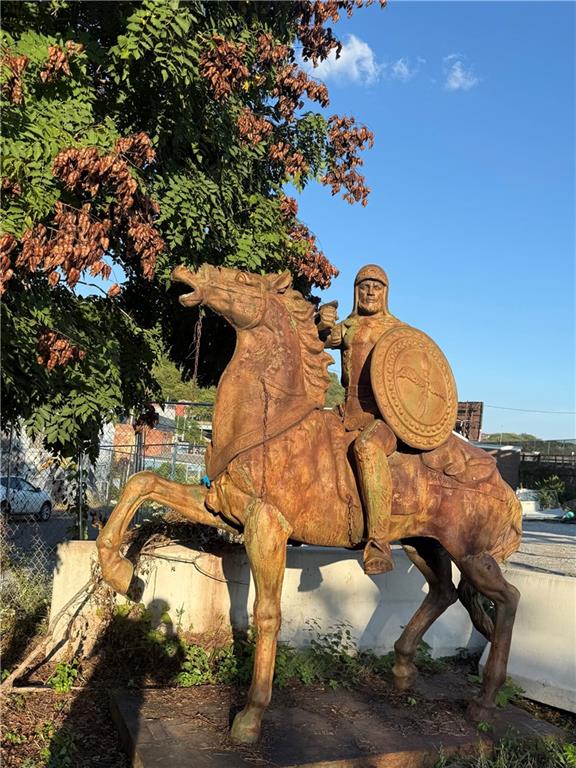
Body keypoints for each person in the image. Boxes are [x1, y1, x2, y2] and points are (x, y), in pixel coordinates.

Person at [317, 265, 404, 574]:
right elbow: (318, 340)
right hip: (347, 411)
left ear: (385, 292)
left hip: (383, 419)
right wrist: (322, 322)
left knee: (367, 448)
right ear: (356, 292)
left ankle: (379, 545)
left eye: (376, 287)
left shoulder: (398, 330)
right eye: (364, 286)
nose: (370, 292)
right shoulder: (348, 327)